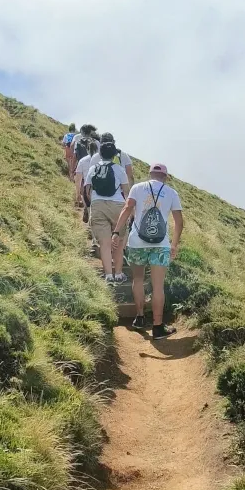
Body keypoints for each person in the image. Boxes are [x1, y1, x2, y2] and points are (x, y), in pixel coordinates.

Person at [113, 162, 183, 339]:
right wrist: (173, 244)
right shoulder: (172, 193)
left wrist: (116, 232)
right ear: (165, 177)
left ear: (149, 174)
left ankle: (140, 318)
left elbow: (127, 208)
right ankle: (158, 327)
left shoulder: (138, 188)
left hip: (137, 242)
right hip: (161, 245)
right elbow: (179, 222)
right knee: (158, 286)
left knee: (138, 279)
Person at [86, 141, 129, 282]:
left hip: (97, 205)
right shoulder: (119, 169)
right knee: (118, 241)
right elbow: (127, 193)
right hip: (117, 206)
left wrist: (93, 203)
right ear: (114, 155)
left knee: (104, 244)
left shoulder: (93, 169)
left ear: (100, 154)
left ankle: (108, 275)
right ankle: (118, 273)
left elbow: (87, 191)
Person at [73, 138, 99, 222]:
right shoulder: (101, 160)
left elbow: (78, 179)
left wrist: (77, 194)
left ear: (87, 149)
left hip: (87, 188)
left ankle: (87, 211)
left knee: (89, 209)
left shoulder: (82, 161)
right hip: (100, 189)